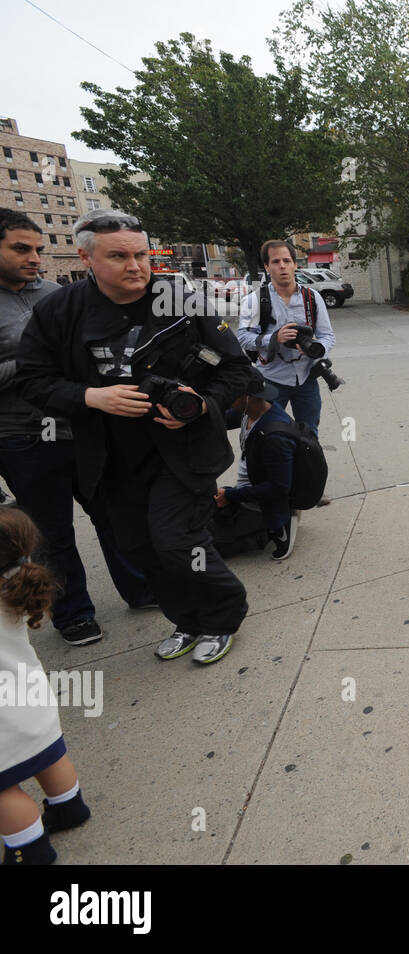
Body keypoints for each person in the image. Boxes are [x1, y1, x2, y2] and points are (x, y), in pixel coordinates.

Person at [16, 210, 259, 666]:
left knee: (176, 541)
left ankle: (223, 615)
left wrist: (202, 405)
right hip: (107, 457)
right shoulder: (59, 310)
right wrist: (91, 396)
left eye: (141, 254)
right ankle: (186, 619)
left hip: (181, 453)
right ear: (86, 258)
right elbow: (32, 381)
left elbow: (237, 370)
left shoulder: (180, 298)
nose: (136, 266)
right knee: (138, 548)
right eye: (119, 256)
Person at [0, 210, 153, 647]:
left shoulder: (53, 292)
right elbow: (38, 372)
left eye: (38, 249)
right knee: (51, 532)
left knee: (113, 514)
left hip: (81, 428)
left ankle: (140, 587)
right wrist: (37, 364)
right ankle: (74, 614)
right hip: (22, 439)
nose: (33, 258)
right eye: (20, 248)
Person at [0, 507, 93, 865]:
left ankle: (29, 849)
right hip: (30, 697)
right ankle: (69, 808)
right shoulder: (17, 583)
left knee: (4, 788)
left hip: (4, 719)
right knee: (49, 756)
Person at [236, 241, 334, 436]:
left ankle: (307, 467)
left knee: (308, 434)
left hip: (306, 377)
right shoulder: (254, 300)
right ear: (267, 266)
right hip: (271, 380)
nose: (282, 265)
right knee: (263, 433)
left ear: (294, 264)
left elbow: (327, 335)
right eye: (276, 261)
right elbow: (244, 337)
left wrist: (317, 348)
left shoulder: (312, 298)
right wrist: (273, 338)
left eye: (287, 260)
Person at [211, 376, 298, 561]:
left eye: (231, 395)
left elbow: (278, 488)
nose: (227, 399)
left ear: (248, 397)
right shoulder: (251, 411)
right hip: (247, 490)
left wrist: (230, 495)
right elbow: (220, 419)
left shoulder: (275, 437)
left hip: (261, 502)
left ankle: (281, 523)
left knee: (209, 547)